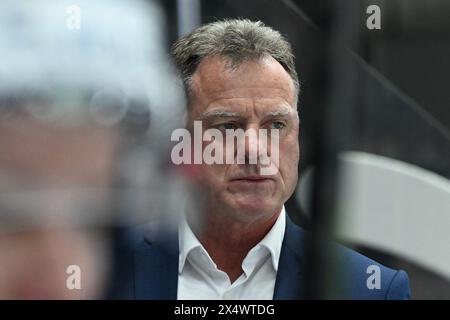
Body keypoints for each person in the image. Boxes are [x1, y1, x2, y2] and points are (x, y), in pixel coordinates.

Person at [117, 19, 411, 300]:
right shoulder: (105, 270)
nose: (256, 150)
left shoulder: (370, 289)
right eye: (228, 126)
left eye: (276, 125)